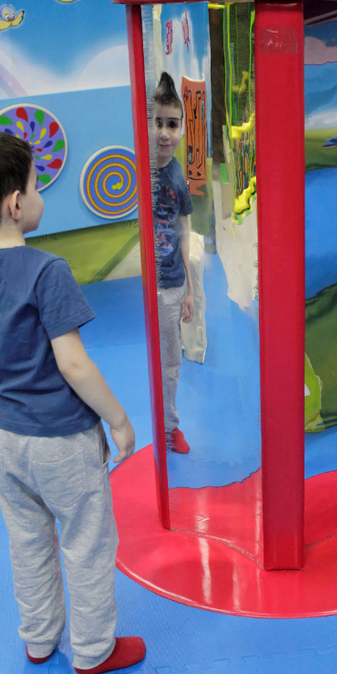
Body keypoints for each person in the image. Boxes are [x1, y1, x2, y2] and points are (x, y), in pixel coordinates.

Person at [0, 132, 146, 673]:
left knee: (28, 544)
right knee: (87, 544)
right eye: (37, 186)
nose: (40, 196)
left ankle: (38, 640)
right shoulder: (46, 270)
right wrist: (119, 419)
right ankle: (94, 651)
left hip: (5, 440)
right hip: (62, 441)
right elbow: (73, 364)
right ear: (16, 204)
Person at [152, 72, 194, 454]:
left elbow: (183, 228)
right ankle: (165, 425)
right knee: (163, 361)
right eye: (158, 123)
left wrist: (190, 289)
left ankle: (169, 426)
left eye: (173, 124)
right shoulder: (139, 170)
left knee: (172, 362)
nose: (165, 133)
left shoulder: (178, 173)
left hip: (173, 282)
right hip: (153, 284)